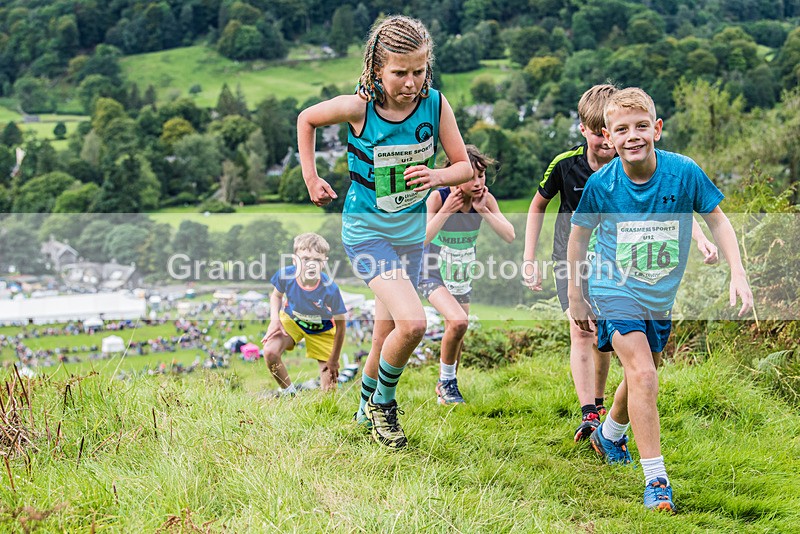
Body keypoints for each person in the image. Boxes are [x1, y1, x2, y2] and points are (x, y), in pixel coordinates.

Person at [567, 87, 753, 511]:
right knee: (644, 375)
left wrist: (737, 272)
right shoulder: (601, 185)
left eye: (640, 126)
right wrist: (577, 296)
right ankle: (657, 482)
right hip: (612, 287)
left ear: (657, 128)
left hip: (658, 296)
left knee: (643, 374)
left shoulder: (683, 173)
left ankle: (609, 435)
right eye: (621, 130)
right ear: (607, 138)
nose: (632, 136)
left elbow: (718, 221)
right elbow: (578, 239)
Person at [296, 15, 471, 449]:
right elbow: (306, 119)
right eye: (399, 73)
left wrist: (436, 177)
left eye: (419, 71)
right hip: (366, 233)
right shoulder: (359, 108)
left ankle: (362, 407)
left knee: (384, 335)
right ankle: (384, 407)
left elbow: (464, 166)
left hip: (409, 237)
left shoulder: (435, 104)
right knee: (412, 324)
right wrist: (311, 178)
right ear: (377, 68)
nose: (411, 82)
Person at [523, 84, 719, 443]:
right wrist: (528, 258)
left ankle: (606, 418)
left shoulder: (629, 164)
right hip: (574, 260)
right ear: (588, 130)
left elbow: (660, 213)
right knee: (582, 331)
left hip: (620, 262)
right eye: (601, 134)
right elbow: (538, 206)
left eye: (609, 135)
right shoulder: (566, 166)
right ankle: (590, 412)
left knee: (607, 342)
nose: (605, 143)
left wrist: (701, 236)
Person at [420, 145, 515, 404]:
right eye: (471, 176)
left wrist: (484, 210)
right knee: (459, 322)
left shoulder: (485, 199)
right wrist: (446, 211)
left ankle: (448, 389)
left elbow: (509, 235)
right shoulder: (437, 198)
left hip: (462, 274)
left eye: (481, 176)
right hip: (431, 272)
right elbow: (422, 238)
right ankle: (446, 384)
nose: (477, 182)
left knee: (457, 330)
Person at [261, 233, 347, 395]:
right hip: (293, 321)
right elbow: (276, 296)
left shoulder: (330, 289)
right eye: (306, 259)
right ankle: (290, 394)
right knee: (270, 352)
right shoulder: (285, 275)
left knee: (329, 391)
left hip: (322, 330)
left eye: (317, 260)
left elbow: (342, 326)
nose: (311, 265)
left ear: (324, 263)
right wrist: (274, 320)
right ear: (294, 260)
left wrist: (334, 359)